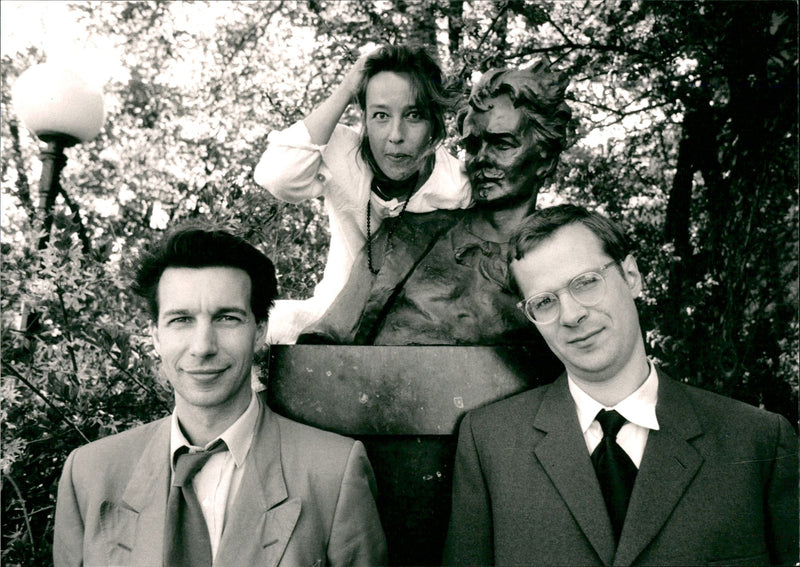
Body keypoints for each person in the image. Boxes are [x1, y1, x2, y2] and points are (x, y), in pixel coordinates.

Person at [443, 204, 799, 566]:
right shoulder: (490, 444)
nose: (571, 315)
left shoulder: (758, 441)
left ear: (631, 276)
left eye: (585, 283)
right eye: (545, 302)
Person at [53, 225, 387, 567]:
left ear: (259, 331)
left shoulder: (333, 472)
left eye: (227, 318)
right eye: (181, 319)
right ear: (155, 336)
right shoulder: (89, 475)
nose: (203, 347)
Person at [299, 60, 572, 347]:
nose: (482, 159)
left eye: (502, 144)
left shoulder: (566, 258)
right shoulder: (405, 237)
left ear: (546, 159)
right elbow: (321, 345)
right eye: (473, 145)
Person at [254, 44, 471, 344]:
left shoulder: (457, 187)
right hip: (330, 318)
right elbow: (275, 176)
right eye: (381, 116)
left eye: (413, 115)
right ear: (365, 119)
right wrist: (347, 88)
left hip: (414, 329)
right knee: (267, 326)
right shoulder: (344, 152)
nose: (396, 135)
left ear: (434, 123)